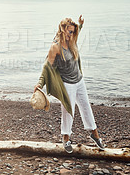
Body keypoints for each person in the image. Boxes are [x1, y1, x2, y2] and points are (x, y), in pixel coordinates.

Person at [34, 15, 105, 153]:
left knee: (86, 107)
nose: (70, 34)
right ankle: (66, 138)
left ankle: (94, 134)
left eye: (72, 32)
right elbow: (47, 66)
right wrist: (40, 83)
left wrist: (80, 24)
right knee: (68, 111)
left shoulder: (72, 40)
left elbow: (78, 31)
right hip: (67, 84)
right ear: (62, 29)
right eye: (68, 31)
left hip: (79, 81)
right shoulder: (56, 47)